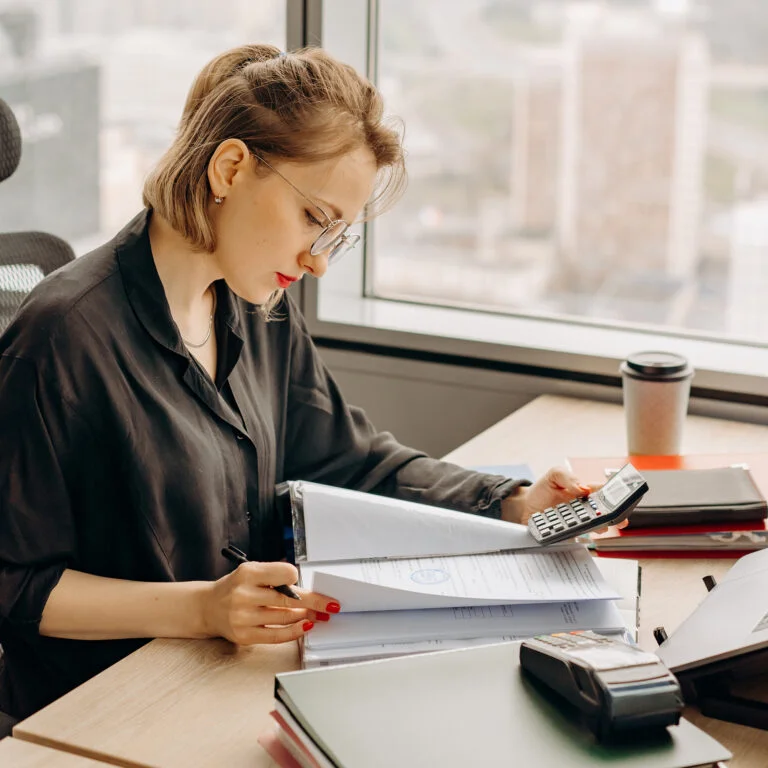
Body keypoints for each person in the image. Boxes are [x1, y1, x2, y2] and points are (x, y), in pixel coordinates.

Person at [0, 44, 599, 720]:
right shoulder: (62, 338)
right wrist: (202, 607)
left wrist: (511, 503)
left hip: (233, 678)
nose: (317, 263)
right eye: (315, 219)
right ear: (229, 167)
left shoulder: (254, 308)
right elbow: (15, 584)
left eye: (336, 236)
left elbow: (349, 458)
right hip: (104, 708)